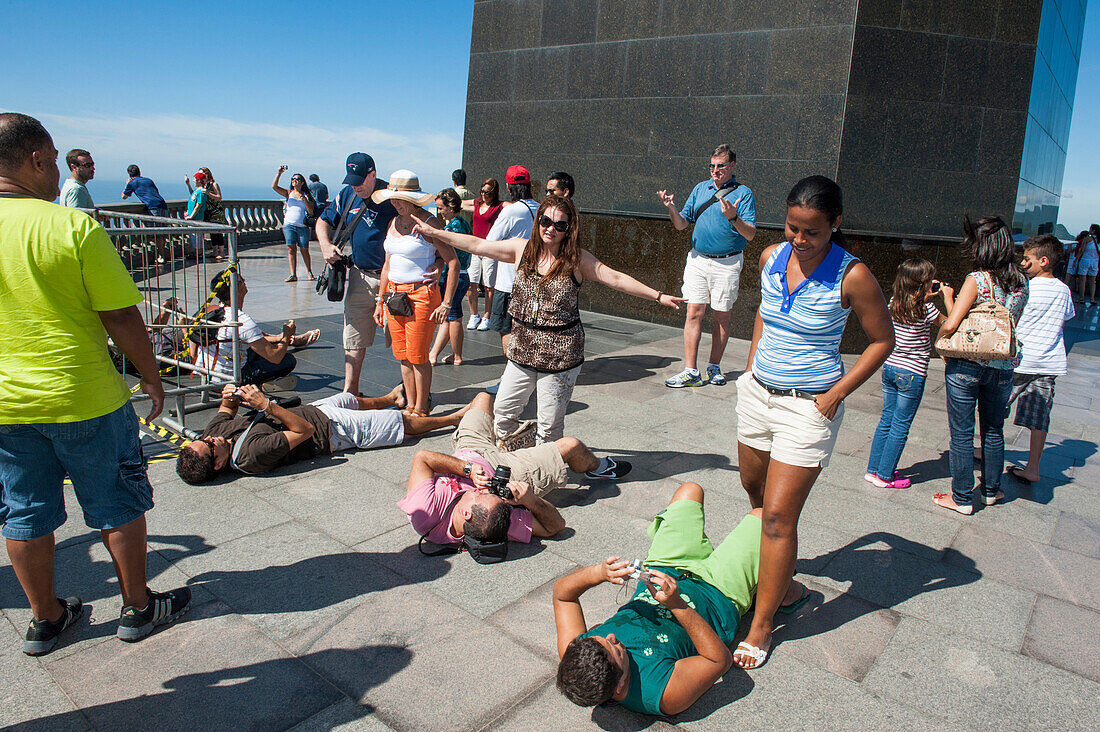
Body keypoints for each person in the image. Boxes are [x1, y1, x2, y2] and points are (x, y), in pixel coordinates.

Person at [0, 113, 191, 655]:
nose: (57, 166)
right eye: (55, 156)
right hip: (84, 395)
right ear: (36, 159)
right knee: (117, 503)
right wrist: (152, 379)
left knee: (24, 512)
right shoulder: (70, 225)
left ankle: (45, 618)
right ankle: (136, 607)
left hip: (7, 407)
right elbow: (122, 317)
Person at [733, 175, 893, 668]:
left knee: (780, 517)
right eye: (791, 228)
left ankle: (762, 628)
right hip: (758, 395)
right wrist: (752, 363)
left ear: (835, 225)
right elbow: (763, 310)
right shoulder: (770, 258)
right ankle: (785, 588)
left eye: (812, 233)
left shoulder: (853, 275)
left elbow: (882, 340)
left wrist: (836, 393)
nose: (799, 241)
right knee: (756, 497)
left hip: (809, 405)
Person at [417, 194, 683, 446]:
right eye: (545, 221)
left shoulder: (576, 259)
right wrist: (435, 233)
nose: (550, 229)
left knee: (549, 426)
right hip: (522, 350)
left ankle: (545, 473)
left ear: (569, 228)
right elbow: (478, 245)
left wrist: (658, 296)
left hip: (559, 356)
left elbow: (614, 278)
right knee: (503, 411)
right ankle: (516, 457)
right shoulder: (521, 250)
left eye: (559, 224)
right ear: (538, 221)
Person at [553, 482, 808, 715]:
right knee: (763, 518)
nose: (611, 636)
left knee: (690, 491)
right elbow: (719, 661)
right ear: (620, 686)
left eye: (602, 638)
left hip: (665, 565)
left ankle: (771, 583)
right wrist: (677, 605)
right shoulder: (661, 694)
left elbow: (563, 596)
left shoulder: (577, 652)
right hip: (717, 593)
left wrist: (599, 572)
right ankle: (778, 588)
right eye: (615, 649)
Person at [400, 392, 630, 548]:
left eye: (482, 493)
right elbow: (556, 527)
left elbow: (423, 458)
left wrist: (468, 469)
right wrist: (529, 499)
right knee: (572, 446)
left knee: (483, 398)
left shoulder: (426, 514)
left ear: (466, 513)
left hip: (468, 453)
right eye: (489, 494)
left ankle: (481, 431)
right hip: (509, 470)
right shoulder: (499, 519)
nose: (484, 488)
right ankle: (598, 468)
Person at [176, 384, 468, 483]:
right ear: (217, 464)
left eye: (203, 439)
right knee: (397, 424)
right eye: (209, 447)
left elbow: (226, 409)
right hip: (330, 431)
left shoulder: (213, 434)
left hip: (314, 408)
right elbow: (305, 431)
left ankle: (390, 397)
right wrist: (265, 404)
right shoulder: (250, 456)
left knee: (350, 398)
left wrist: (231, 394)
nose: (210, 438)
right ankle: (451, 419)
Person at [934, 216, 1028, 516]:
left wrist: (946, 311)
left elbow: (954, 323)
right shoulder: (1021, 282)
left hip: (968, 365)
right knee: (993, 429)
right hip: (1003, 364)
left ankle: (961, 497)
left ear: (982, 246)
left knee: (962, 433)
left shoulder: (977, 280)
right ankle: (990, 490)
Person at [658, 144, 757, 388]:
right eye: (712, 166)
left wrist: (733, 217)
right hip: (698, 260)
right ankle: (691, 371)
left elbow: (751, 234)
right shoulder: (701, 189)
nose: (715, 170)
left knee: (722, 316)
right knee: (693, 312)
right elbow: (682, 224)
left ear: (732, 166)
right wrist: (671, 207)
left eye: (720, 166)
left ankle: (714, 367)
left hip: (727, 263)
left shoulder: (744, 194)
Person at [372, 170, 459, 417]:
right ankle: (410, 404)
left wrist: (447, 303)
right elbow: (387, 266)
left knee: (418, 356)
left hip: (421, 295)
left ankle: (421, 409)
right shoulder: (393, 223)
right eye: (392, 198)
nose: (394, 203)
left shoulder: (430, 223)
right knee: (402, 355)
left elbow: (453, 261)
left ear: (412, 198)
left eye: (398, 198)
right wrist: (380, 300)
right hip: (394, 296)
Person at [864, 259, 953, 489]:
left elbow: (911, 302)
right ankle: (885, 476)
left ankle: (873, 470)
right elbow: (950, 323)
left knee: (886, 420)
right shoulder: (926, 309)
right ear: (922, 284)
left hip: (890, 367)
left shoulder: (893, 302)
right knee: (901, 425)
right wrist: (947, 298)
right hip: (912, 373)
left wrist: (924, 295)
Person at [317, 153, 399, 395]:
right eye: (352, 180)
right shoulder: (347, 195)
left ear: (373, 175)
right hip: (360, 276)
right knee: (353, 336)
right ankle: (350, 391)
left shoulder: (392, 196)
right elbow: (323, 221)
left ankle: (414, 392)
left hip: (393, 279)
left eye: (360, 181)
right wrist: (324, 245)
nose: (356, 186)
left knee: (401, 338)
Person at [1005, 234, 1074, 484]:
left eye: (1027, 258)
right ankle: (1033, 467)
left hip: (1019, 359)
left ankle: (984, 449)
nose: (1023, 263)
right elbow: (1065, 319)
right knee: (1039, 417)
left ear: (1043, 260)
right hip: (1049, 363)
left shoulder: (1026, 287)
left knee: (996, 406)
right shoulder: (1064, 290)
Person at [190, 272, 318, 389]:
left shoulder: (209, 310)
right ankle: (262, 384)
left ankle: (291, 341)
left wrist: (194, 360)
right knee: (287, 360)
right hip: (230, 379)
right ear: (234, 288)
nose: (244, 280)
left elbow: (192, 336)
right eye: (240, 279)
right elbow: (275, 357)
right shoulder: (241, 320)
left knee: (255, 346)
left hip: (207, 374)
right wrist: (286, 337)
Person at [487, 165, 540, 352]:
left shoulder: (512, 211)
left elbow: (490, 243)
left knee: (507, 330)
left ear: (508, 188)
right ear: (529, 184)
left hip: (508, 283)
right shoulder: (541, 208)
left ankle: (510, 377)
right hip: (533, 282)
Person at [428, 188, 473, 366]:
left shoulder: (451, 227)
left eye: (441, 208)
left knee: (453, 317)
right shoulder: (464, 224)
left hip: (454, 276)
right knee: (451, 317)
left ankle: (454, 356)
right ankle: (446, 354)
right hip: (463, 275)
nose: (439, 212)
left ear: (450, 207)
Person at [461, 177, 504, 331]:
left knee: (488, 285)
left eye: (488, 192)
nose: (484, 194)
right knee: (471, 283)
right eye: (482, 191)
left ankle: (487, 315)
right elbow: (460, 203)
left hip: (489, 248)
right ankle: (474, 315)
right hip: (474, 248)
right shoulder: (477, 203)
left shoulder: (499, 206)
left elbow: (513, 206)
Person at [272, 165, 316, 282]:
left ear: (302, 182)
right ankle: (293, 274)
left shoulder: (306, 195)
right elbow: (274, 187)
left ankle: (309, 271)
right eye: (292, 179)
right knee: (291, 249)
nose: (294, 181)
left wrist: (305, 200)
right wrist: (279, 173)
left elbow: (311, 211)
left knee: (304, 249)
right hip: (289, 225)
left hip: (302, 226)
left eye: (296, 179)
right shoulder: (288, 193)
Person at [122, 164, 169, 262]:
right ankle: (161, 255)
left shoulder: (132, 182)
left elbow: (124, 196)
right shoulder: (148, 180)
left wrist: (127, 184)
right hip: (162, 204)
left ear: (129, 175)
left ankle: (161, 256)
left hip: (153, 206)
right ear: (139, 172)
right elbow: (156, 191)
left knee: (157, 233)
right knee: (163, 231)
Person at [186, 166, 228, 260]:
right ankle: (215, 252)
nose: (202, 175)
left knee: (218, 232)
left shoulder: (213, 184)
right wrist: (188, 184)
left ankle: (221, 252)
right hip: (208, 212)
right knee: (212, 233)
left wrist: (208, 193)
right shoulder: (204, 186)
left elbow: (219, 198)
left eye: (203, 173)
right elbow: (194, 195)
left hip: (216, 211)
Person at [1071, 224, 1100, 305]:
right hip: (1095, 261)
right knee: (1092, 281)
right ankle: (1092, 298)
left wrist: (1075, 260)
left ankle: (1081, 298)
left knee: (1082, 280)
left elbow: (1081, 251)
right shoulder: (1099, 240)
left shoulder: (1087, 239)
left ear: (1093, 231)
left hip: (1085, 260)